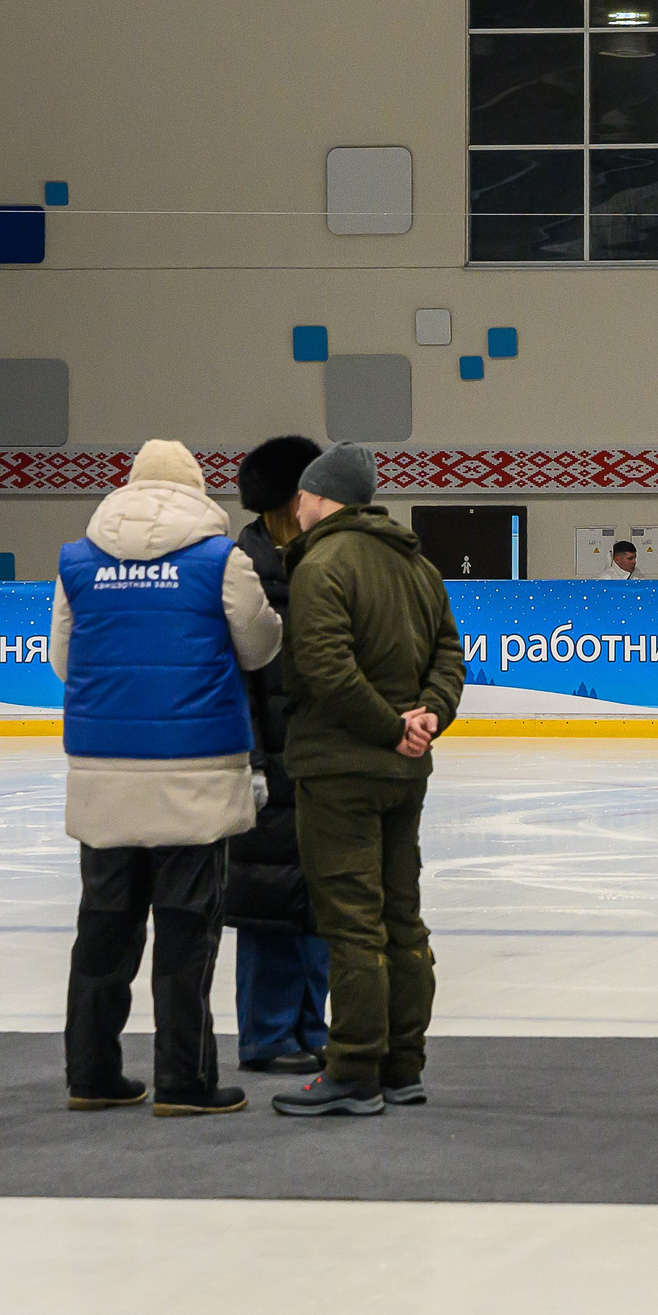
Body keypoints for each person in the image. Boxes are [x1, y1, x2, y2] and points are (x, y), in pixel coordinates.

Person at [54, 439, 281, 1117]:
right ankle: (185, 1081)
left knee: (103, 928)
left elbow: (65, 661)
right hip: (195, 768)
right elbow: (260, 644)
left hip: (105, 769)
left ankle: (91, 1073)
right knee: (187, 930)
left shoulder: (76, 562)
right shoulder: (221, 560)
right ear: (195, 490)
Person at [270, 443, 466, 1119]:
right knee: (401, 917)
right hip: (403, 771)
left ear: (322, 497)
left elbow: (324, 667)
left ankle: (353, 1066)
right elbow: (450, 651)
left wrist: (389, 726)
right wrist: (427, 717)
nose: (296, 506)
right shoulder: (417, 562)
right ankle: (401, 1062)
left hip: (342, 769)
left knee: (353, 920)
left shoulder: (321, 561)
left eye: (302, 495)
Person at [225, 434, 331, 1077]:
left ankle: (310, 1027)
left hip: (320, 763)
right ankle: (267, 1035)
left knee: (318, 902)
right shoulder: (242, 571)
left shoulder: (325, 562)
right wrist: (254, 762)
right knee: (267, 902)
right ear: (292, 500)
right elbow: (236, 681)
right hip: (268, 764)